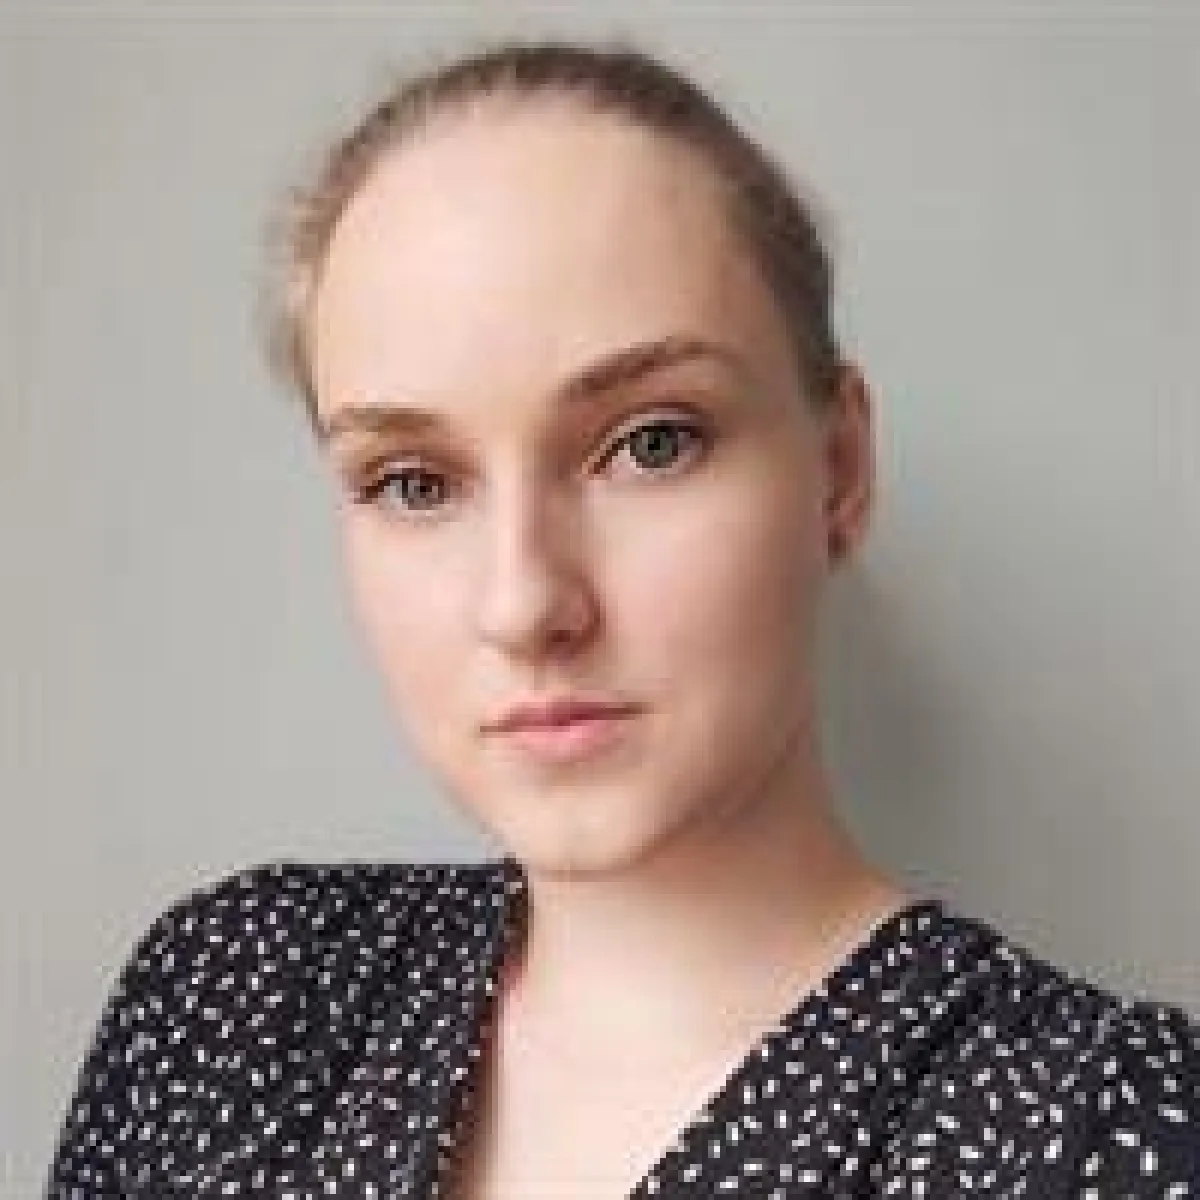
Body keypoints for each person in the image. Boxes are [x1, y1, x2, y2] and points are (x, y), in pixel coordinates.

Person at [46, 37, 1197, 1199]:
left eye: (652, 444)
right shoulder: (225, 1002)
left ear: (840, 469)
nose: (525, 604)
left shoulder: (1111, 1136)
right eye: (415, 482)